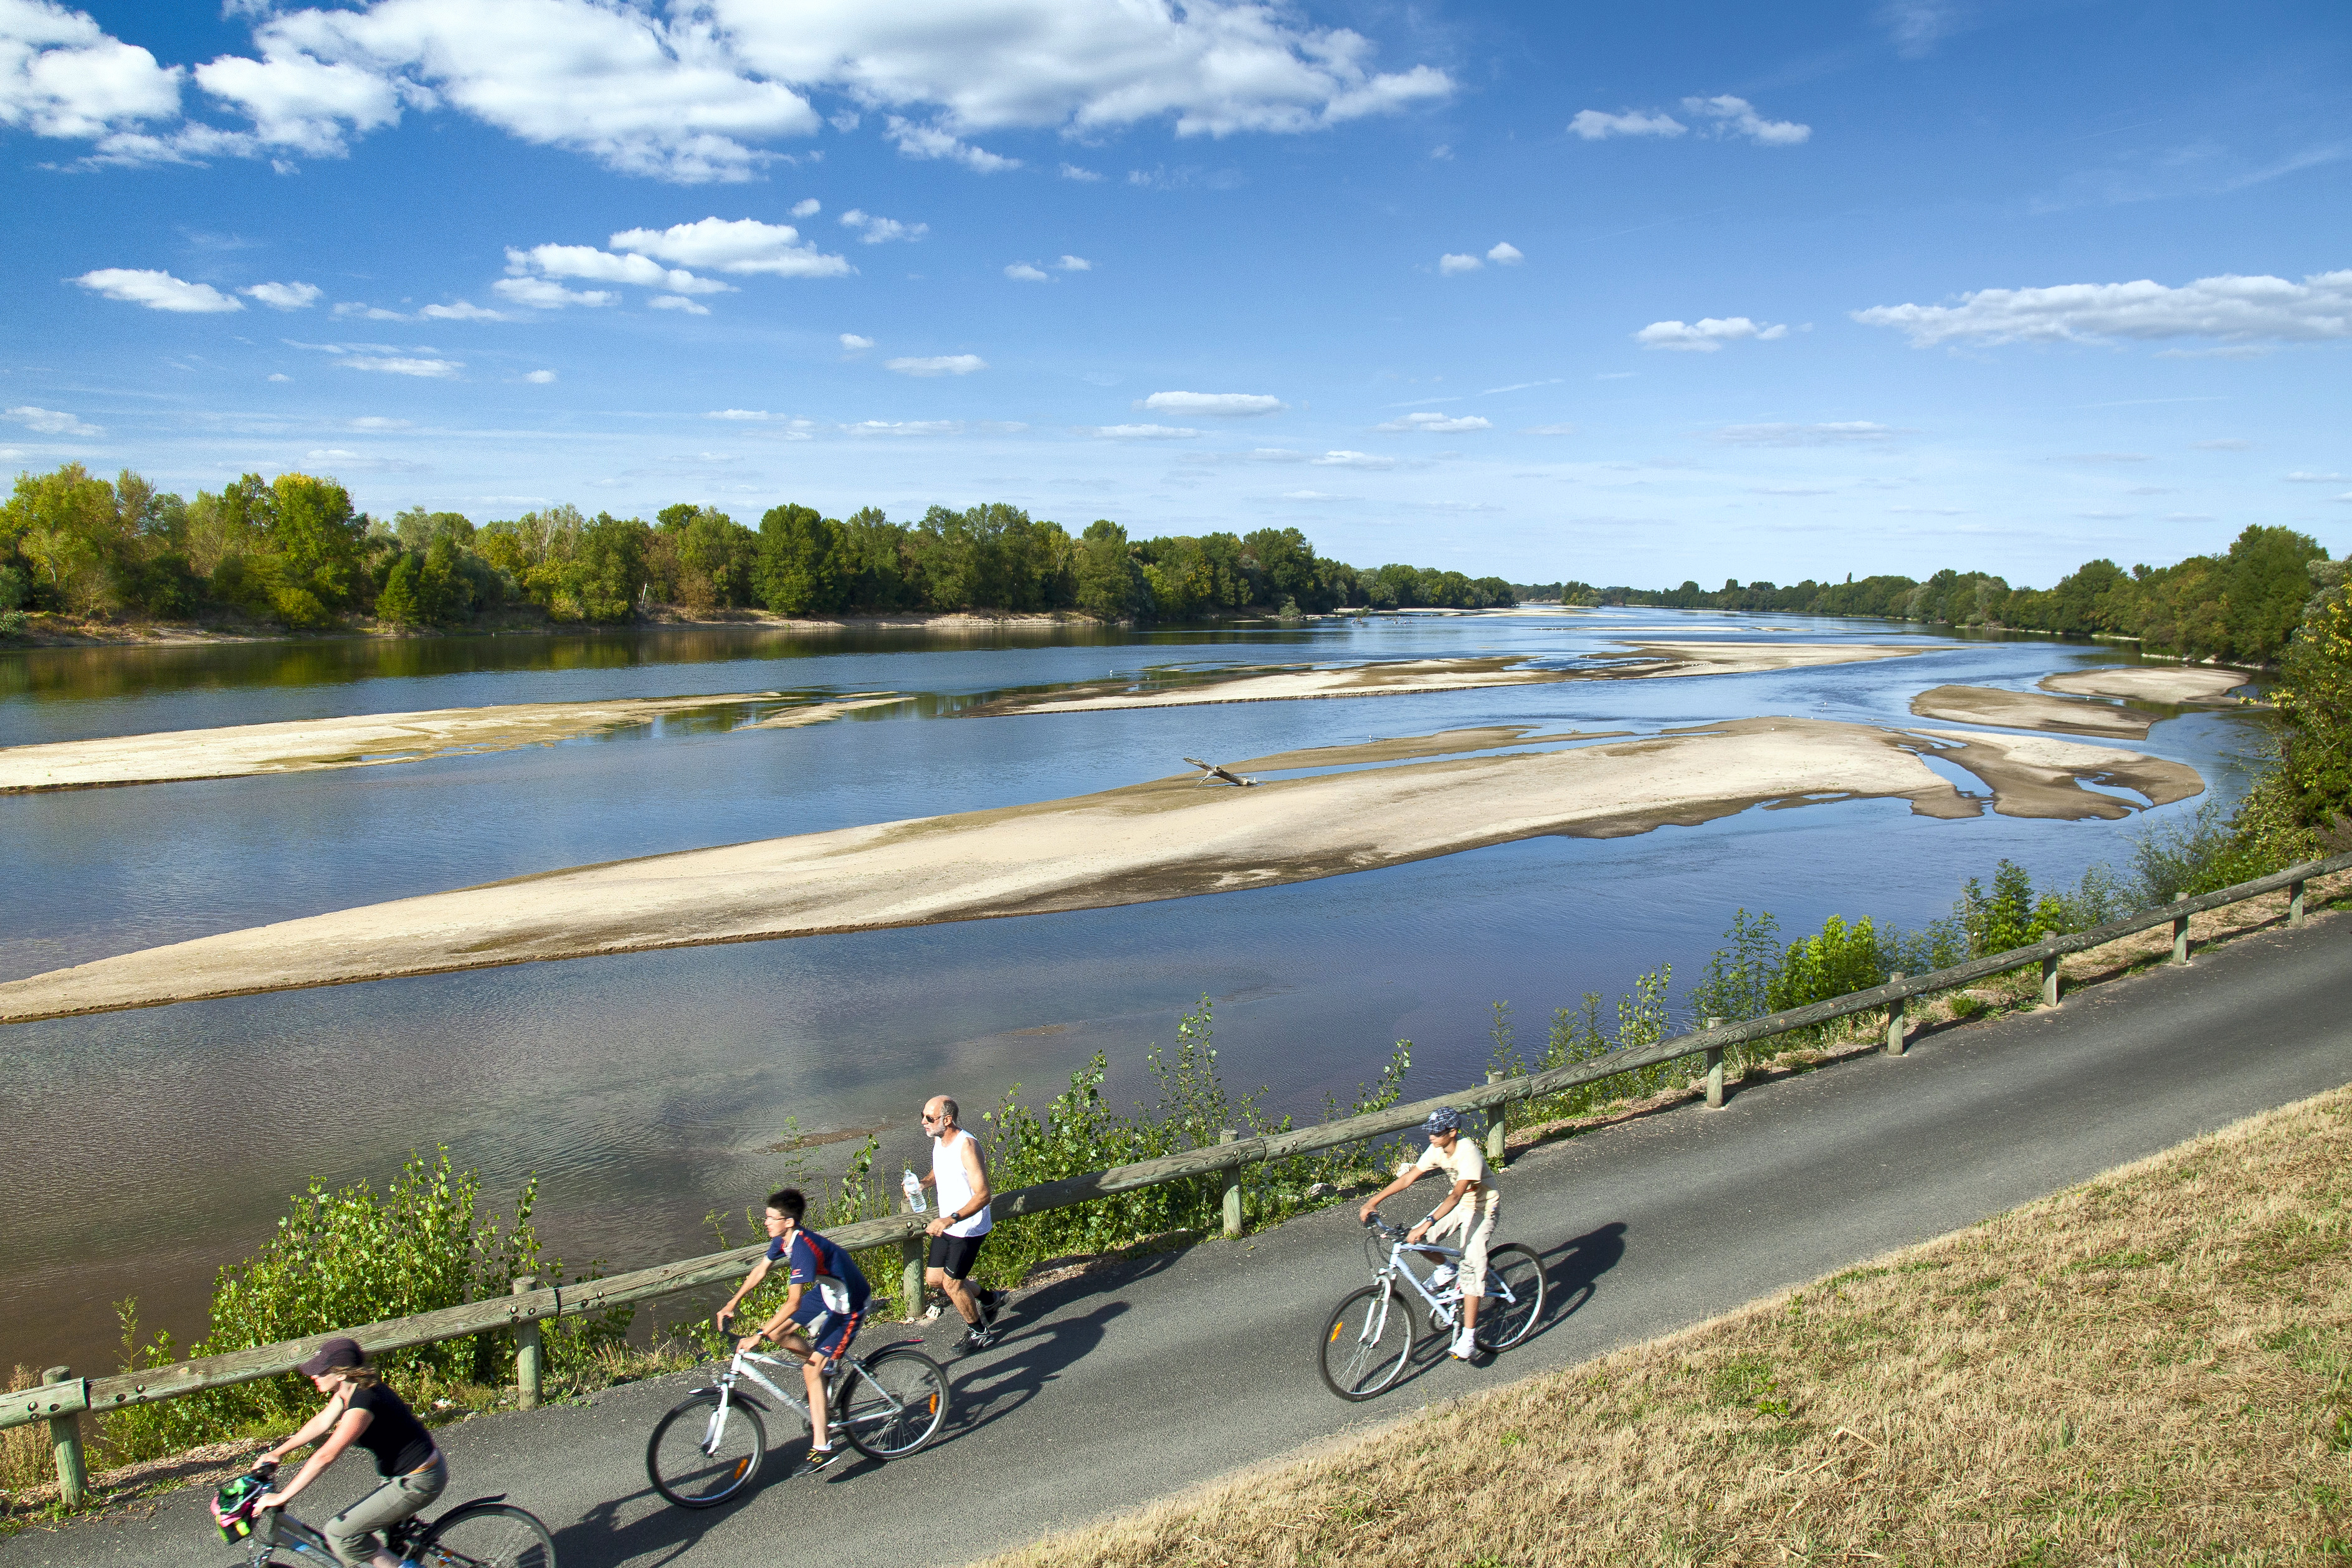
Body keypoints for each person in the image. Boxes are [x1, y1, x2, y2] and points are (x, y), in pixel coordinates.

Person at [250, 1337, 445, 1568]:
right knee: (378, 1542)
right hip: (400, 1474)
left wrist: (282, 1497)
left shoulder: (364, 1403)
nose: (314, 1376)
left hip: (418, 1479)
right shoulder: (349, 1389)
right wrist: (278, 1453)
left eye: (321, 1371)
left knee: (340, 1533)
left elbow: (326, 1456)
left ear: (341, 1374)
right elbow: (321, 1423)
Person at [715, 1186, 872, 1470]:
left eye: (770, 1218)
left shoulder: (802, 1249)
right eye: (766, 1217)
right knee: (781, 1334)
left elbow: (794, 1303)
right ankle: (822, 1371)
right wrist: (732, 1303)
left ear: (788, 1222)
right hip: (827, 1292)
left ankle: (823, 1447)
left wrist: (758, 1335)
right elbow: (759, 1271)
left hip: (849, 1303)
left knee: (808, 1368)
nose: (766, 1222)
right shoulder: (782, 1239)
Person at [1358, 1106, 1499, 1362]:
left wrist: (1426, 1223)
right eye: (1430, 1132)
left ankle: (1468, 1338)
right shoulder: (1436, 1149)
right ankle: (1446, 1269)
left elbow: (1456, 1195)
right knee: (1419, 1240)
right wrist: (1373, 1201)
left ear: (1452, 1132)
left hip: (1482, 1208)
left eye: (1436, 1132)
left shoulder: (1468, 1152)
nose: (1431, 1137)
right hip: (1460, 1205)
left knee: (1470, 1267)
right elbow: (1409, 1178)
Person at [915, 1095, 1003, 1351]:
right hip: (948, 1225)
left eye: (929, 1118)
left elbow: (984, 1194)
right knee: (934, 1279)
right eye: (922, 1116)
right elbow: (940, 1170)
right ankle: (990, 1299)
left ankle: (979, 1332)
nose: (923, 1122)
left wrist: (951, 1218)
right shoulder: (940, 1140)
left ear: (947, 1119)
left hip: (968, 1227)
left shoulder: (967, 1146)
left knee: (952, 1284)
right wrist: (923, 1183)